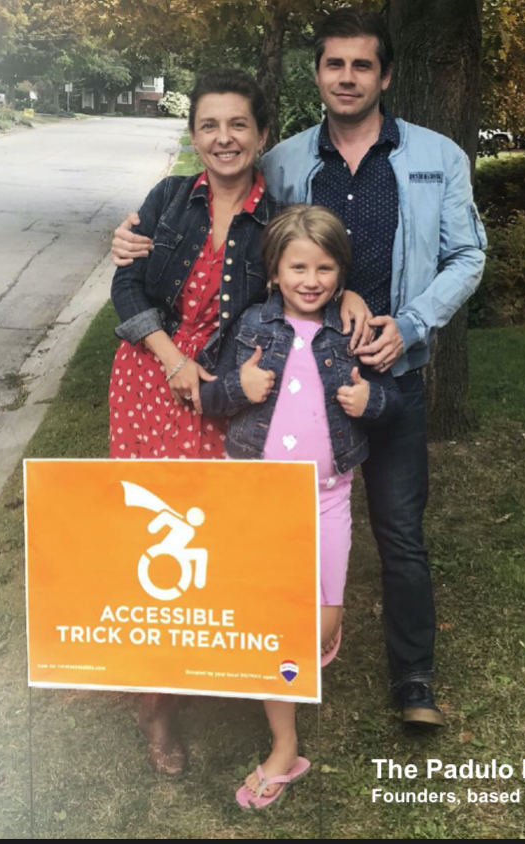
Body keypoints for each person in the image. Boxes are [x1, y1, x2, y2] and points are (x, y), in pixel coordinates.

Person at [113, 8, 487, 729]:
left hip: (391, 373)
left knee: (400, 531)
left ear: (385, 75)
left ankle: (414, 682)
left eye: (362, 65)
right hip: (291, 391)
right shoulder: (283, 162)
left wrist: (407, 324)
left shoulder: (437, 157)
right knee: (260, 529)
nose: (347, 78)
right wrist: (129, 237)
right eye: (334, 64)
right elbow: (266, 253)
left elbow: (468, 255)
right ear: (317, 73)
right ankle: (249, 654)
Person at [109, 68, 373, 775]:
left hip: (226, 392)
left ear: (260, 136)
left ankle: (218, 665)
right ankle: (156, 706)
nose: (222, 139)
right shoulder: (168, 197)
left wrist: (345, 299)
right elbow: (126, 283)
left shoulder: (276, 213)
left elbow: (305, 281)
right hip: (152, 381)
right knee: (150, 537)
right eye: (208, 126)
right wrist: (169, 358)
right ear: (193, 135)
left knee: (213, 539)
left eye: (237, 126)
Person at [198, 204, 404, 808]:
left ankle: (304, 650)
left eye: (323, 267)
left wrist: (373, 400)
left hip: (327, 500)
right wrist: (241, 388)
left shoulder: (350, 330)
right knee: (273, 630)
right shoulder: (251, 327)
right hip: (258, 499)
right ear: (274, 270)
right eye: (297, 266)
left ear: (340, 273)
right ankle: (284, 747)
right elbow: (210, 396)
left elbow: (389, 399)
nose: (310, 280)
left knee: (321, 627)